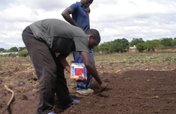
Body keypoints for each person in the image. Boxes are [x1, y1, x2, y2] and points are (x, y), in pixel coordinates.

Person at [22, 18, 107, 114]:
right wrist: (100, 82)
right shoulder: (81, 35)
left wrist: (72, 72)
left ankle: (65, 101)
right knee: (48, 70)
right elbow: (88, 63)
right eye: (94, 44)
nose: (92, 47)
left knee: (58, 69)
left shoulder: (73, 41)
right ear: (90, 37)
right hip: (34, 35)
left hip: (44, 40)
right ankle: (44, 110)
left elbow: (61, 59)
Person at [62, 0, 95, 94]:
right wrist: (77, 27)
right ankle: (80, 88)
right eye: (88, 1)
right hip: (79, 38)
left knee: (90, 62)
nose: (90, 3)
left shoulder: (85, 9)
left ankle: (87, 86)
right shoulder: (76, 5)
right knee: (80, 63)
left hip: (86, 39)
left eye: (91, 2)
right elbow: (65, 13)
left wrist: (88, 11)